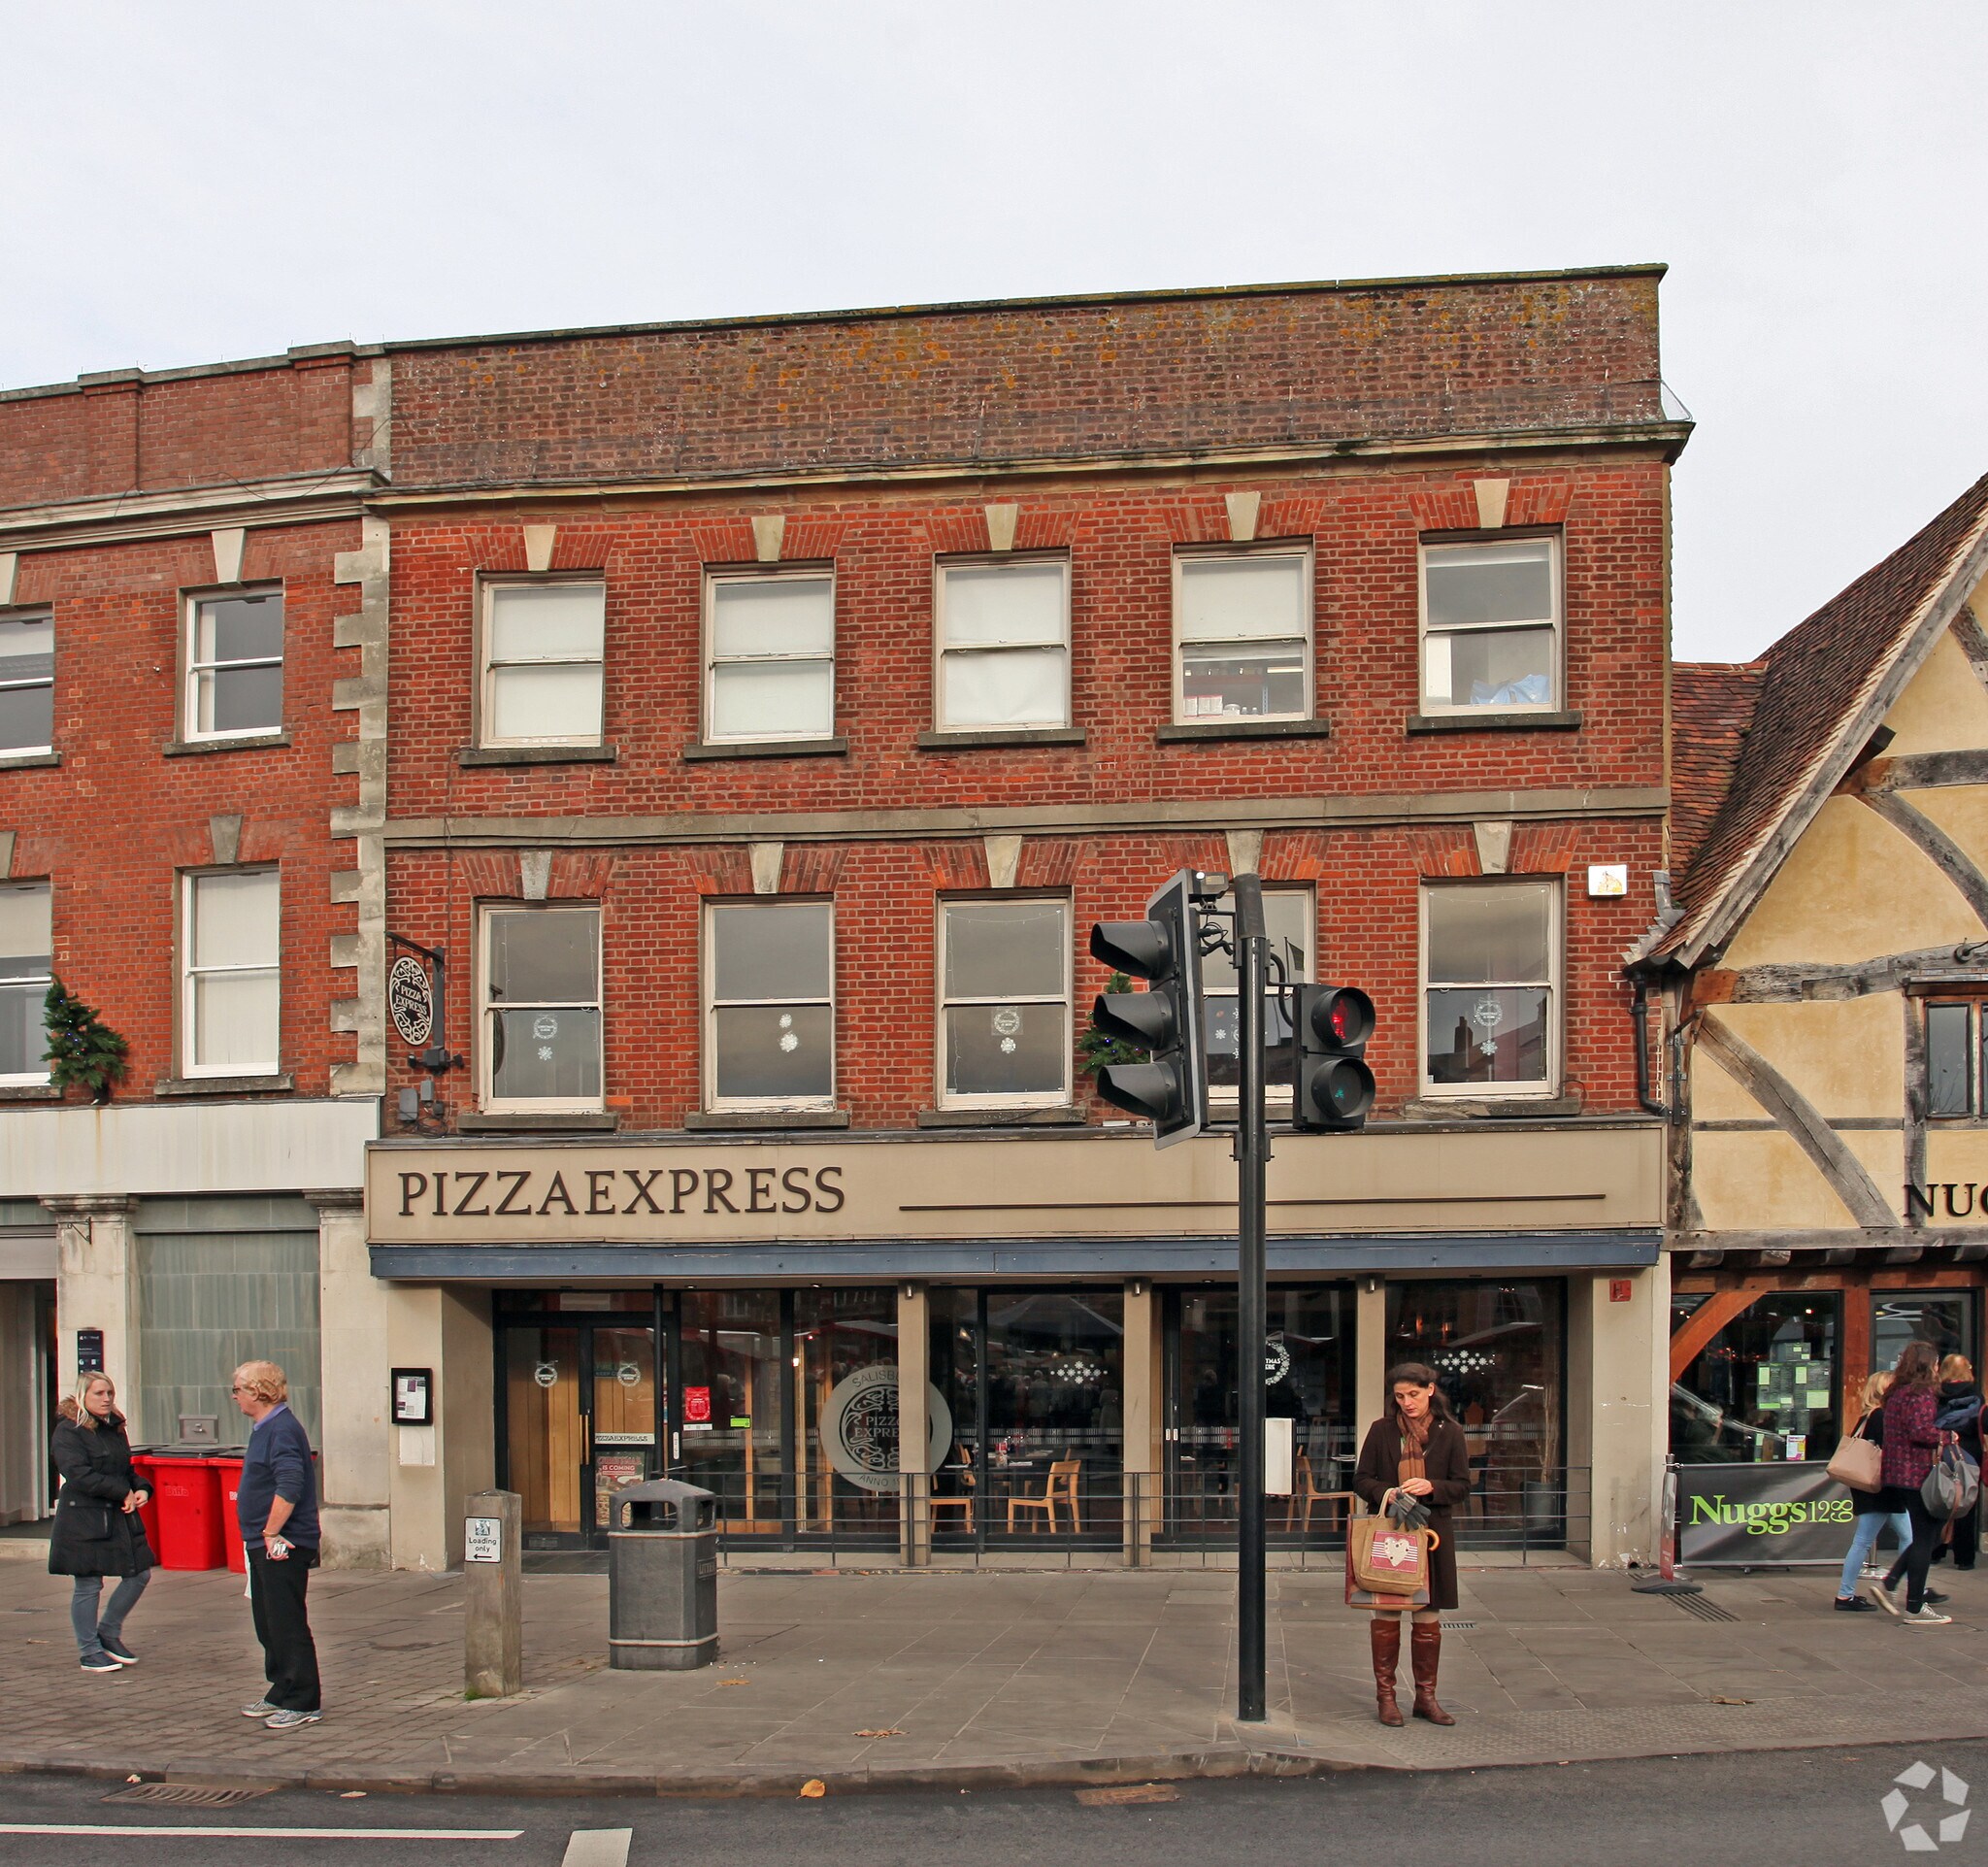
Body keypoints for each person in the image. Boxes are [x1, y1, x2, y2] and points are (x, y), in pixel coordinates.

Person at [1352, 1362, 1473, 1726]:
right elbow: (1361, 1479)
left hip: (1432, 1534)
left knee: (1427, 1616)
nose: (1407, 1402)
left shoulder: (1450, 1432)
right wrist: (1387, 1492)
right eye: (1400, 1396)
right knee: (1386, 1611)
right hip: (1389, 1532)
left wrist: (1432, 1486)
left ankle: (1426, 1698)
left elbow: (1462, 1485)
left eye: (1414, 1395)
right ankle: (1386, 1698)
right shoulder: (1381, 1430)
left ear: (1431, 1390)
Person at [232, 1360, 322, 1730]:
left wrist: (271, 1532)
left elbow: (290, 1484)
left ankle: (303, 1700)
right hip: (261, 1541)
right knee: (267, 1623)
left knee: (286, 1622)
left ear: (257, 1391)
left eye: (237, 1389)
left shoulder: (282, 1429)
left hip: (282, 1541)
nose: (234, 1396)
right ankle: (281, 1688)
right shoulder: (264, 1427)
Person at [49, 1371, 153, 1672]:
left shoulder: (115, 1427)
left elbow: (124, 1468)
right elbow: (78, 1474)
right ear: (83, 1395)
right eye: (99, 1393)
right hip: (83, 1517)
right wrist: (123, 1491)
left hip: (120, 1516)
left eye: (109, 1392)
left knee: (139, 1574)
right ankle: (89, 1650)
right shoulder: (69, 1431)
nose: (106, 1398)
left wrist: (141, 1488)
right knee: (88, 1583)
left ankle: (108, 1632)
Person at [1870, 1341, 1956, 1624]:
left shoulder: (1896, 1393)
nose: (1937, 1367)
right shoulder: (1920, 1394)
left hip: (1897, 1472)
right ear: (1927, 1365)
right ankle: (1915, 1606)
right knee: (1926, 1538)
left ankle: (1891, 1583)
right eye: (1935, 1362)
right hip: (1917, 1473)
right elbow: (1921, 1432)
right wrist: (1946, 1436)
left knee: (1926, 1535)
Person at [1835, 1371, 1911, 1611]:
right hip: (1879, 1489)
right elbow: (1891, 1449)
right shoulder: (1879, 1416)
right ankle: (1845, 1595)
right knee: (1863, 1541)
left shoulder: (1869, 1415)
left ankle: (1913, 1588)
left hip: (1880, 1489)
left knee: (1909, 1538)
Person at [1932, 1353, 1982, 1571]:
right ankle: (1965, 1557)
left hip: (1942, 1449)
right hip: (1969, 1452)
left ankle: (1935, 1550)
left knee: (1939, 1498)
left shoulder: (1935, 1394)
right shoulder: (1976, 1395)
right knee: (1966, 1502)